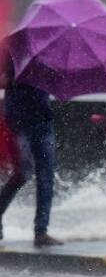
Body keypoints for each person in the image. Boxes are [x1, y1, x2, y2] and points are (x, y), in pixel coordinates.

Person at [0, 67, 62, 246]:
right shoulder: (14, 52)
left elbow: (56, 83)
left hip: (43, 122)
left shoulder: (50, 57)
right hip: (17, 123)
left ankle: (41, 231)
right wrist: (13, 75)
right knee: (23, 173)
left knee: (46, 177)